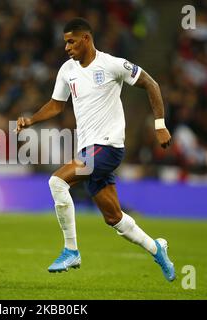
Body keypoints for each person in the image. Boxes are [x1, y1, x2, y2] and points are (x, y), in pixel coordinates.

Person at [15, 17, 175, 281]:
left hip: (108, 146)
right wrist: (31, 119)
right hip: (88, 149)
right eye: (65, 42)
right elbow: (56, 105)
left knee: (57, 182)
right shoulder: (67, 70)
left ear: (86, 39)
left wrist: (159, 125)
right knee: (114, 218)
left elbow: (151, 84)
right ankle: (157, 248)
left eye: (71, 41)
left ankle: (71, 250)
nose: (66, 47)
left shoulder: (112, 64)